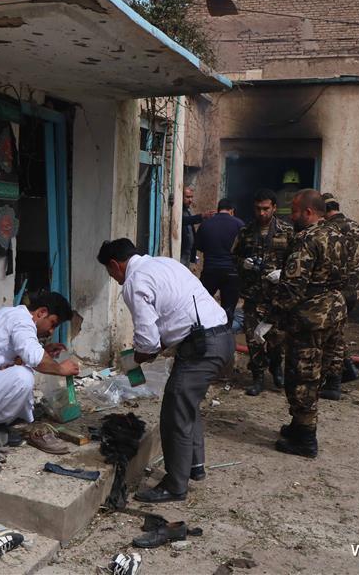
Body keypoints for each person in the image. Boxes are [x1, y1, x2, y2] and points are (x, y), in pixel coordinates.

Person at [97, 239, 233, 502]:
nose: (113, 278)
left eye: (110, 272)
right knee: (187, 403)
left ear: (115, 264)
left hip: (202, 346)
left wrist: (135, 359)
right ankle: (194, 465)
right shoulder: (165, 264)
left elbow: (148, 342)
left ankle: (175, 486)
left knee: (174, 412)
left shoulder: (135, 282)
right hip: (221, 338)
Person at [268, 189, 347, 457]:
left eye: (295, 212)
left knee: (302, 375)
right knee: (318, 372)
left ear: (309, 212)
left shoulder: (306, 239)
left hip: (310, 318)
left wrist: (272, 316)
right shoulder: (338, 235)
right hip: (334, 312)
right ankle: (298, 425)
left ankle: (305, 438)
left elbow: (293, 286)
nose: (292, 217)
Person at [0, 292, 80, 452]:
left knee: (22, 369)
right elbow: (35, 358)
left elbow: (14, 356)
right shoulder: (22, 321)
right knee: (23, 376)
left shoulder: (12, 314)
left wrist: (44, 351)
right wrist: (61, 369)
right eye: (53, 324)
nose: (51, 331)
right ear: (42, 312)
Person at [232, 189, 294, 396]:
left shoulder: (287, 231)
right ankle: (257, 377)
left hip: (277, 296)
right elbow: (234, 257)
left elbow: (297, 261)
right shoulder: (246, 231)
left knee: (277, 337)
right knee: (253, 338)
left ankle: (276, 368)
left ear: (274, 208)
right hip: (253, 295)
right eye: (258, 209)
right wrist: (244, 263)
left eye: (266, 209)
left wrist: (284, 273)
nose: (262, 213)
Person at [318, 193, 359, 400]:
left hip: (337, 290)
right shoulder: (356, 226)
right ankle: (349, 368)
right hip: (354, 290)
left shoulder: (328, 230)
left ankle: (334, 382)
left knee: (333, 337)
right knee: (337, 333)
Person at [195, 198, 244, 324]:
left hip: (210, 271)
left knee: (202, 306)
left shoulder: (205, 224)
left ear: (218, 209)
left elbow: (198, 246)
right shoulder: (239, 224)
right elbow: (245, 248)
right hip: (232, 272)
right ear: (232, 211)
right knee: (228, 309)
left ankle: (205, 331)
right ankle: (226, 332)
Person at [180, 186, 204, 268]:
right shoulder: (178, 210)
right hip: (181, 255)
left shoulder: (187, 210)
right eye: (187, 197)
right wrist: (201, 216)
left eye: (191, 197)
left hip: (187, 255)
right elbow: (183, 221)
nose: (190, 200)